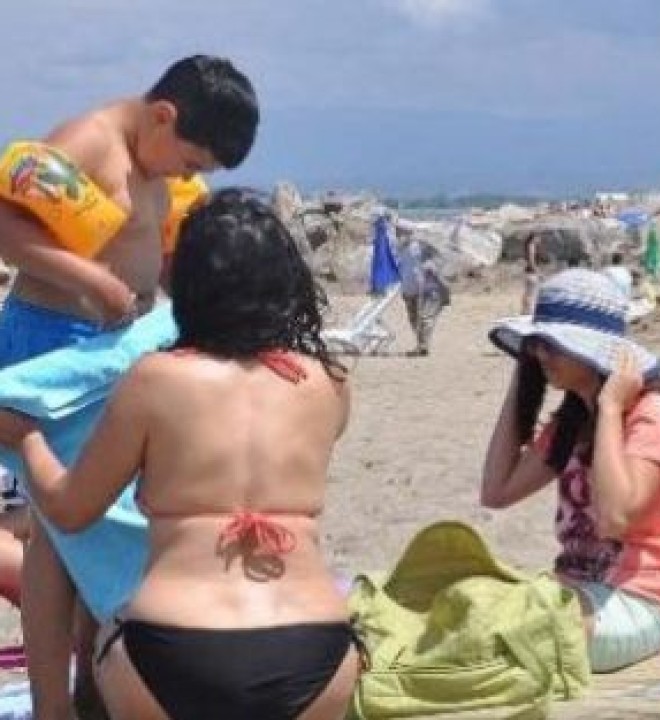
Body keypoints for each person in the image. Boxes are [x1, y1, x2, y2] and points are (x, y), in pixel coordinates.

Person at [0, 189, 360, 720]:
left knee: (109, 636)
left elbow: (70, 511)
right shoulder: (329, 384)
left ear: (187, 286)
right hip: (315, 646)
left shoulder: (153, 380)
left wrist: (29, 438)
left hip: (174, 648)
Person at [0, 54, 258, 718]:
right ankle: (55, 704)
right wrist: (92, 281)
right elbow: (5, 227)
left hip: (115, 348)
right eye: (190, 163)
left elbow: (158, 256)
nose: (187, 177)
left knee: (102, 519)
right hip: (54, 343)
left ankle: (94, 684)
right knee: (59, 530)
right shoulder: (91, 141)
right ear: (162, 116)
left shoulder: (153, 166)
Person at [481, 269, 660, 673]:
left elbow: (614, 519)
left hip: (647, 600)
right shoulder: (573, 420)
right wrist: (523, 377)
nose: (543, 354)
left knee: (517, 635)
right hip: (580, 588)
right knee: (470, 601)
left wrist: (610, 409)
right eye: (537, 345)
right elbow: (496, 492)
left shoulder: (654, 416)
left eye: (552, 345)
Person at [394, 230, 451, 357]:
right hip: (409, 290)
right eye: (398, 232)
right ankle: (421, 345)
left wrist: (431, 266)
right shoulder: (398, 249)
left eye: (401, 232)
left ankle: (423, 346)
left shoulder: (421, 245)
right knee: (414, 319)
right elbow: (399, 266)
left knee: (425, 318)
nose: (400, 235)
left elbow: (440, 259)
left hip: (429, 289)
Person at [521, 231, 541, 316]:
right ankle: (528, 312)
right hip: (531, 273)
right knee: (531, 293)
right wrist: (538, 272)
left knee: (528, 293)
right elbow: (531, 262)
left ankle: (525, 311)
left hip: (528, 272)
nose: (539, 240)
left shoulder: (529, 246)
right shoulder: (531, 247)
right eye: (538, 238)